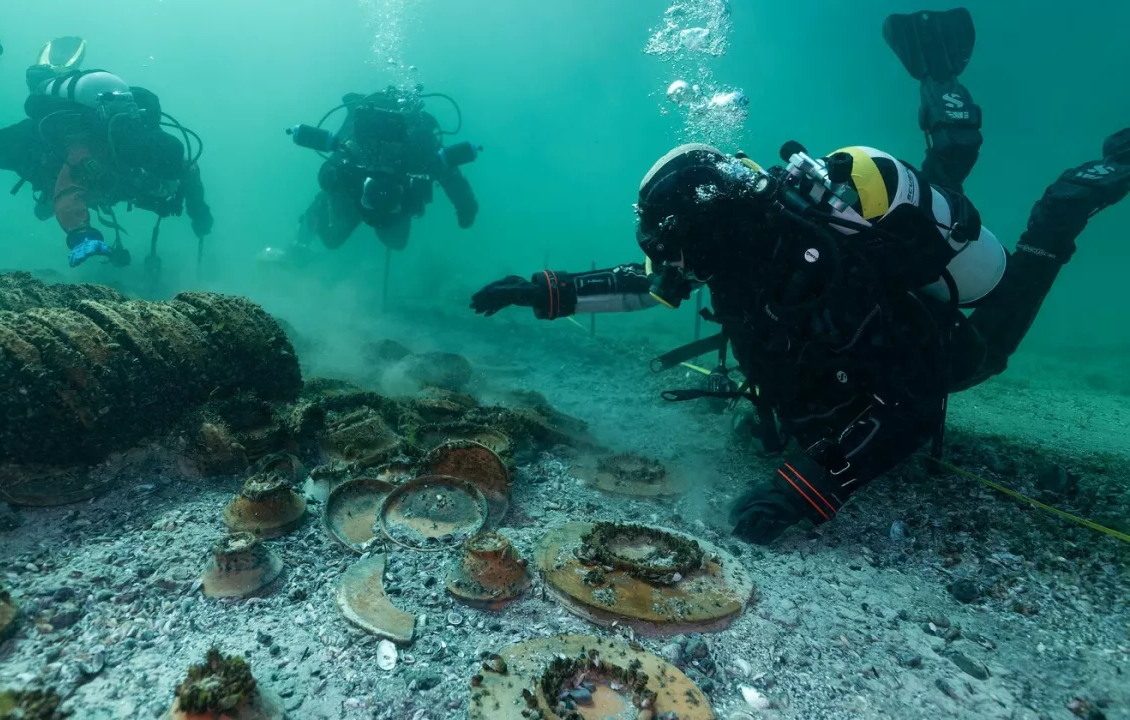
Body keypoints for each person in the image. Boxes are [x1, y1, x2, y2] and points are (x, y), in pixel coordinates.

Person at [468, 7, 1130, 544]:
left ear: (705, 230)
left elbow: (917, 400)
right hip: (854, 329)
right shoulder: (734, 249)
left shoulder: (815, 267)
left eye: (671, 247)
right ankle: (948, 111)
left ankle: (1075, 192)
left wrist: (808, 488)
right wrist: (540, 289)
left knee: (1018, 281)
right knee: (934, 186)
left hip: (952, 353)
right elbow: (649, 284)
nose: (669, 267)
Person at [0, 0, 213, 268]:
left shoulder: (152, 160)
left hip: (51, 147)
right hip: (40, 148)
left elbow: (189, 172)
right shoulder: (106, 153)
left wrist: (199, 214)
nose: (159, 189)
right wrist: (82, 234)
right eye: (159, 186)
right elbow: (70, 187)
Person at [290, 85, 480, 253]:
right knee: (333, 238)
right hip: (352, 190)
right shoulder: (357, 140)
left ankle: (376, 204)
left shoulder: (419, 146)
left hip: (394, 197)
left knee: (396, 243)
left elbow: (449, 172)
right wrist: (334, 181)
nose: (386, 144)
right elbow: (328, 169)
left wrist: (465, 207)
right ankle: (320, 205)